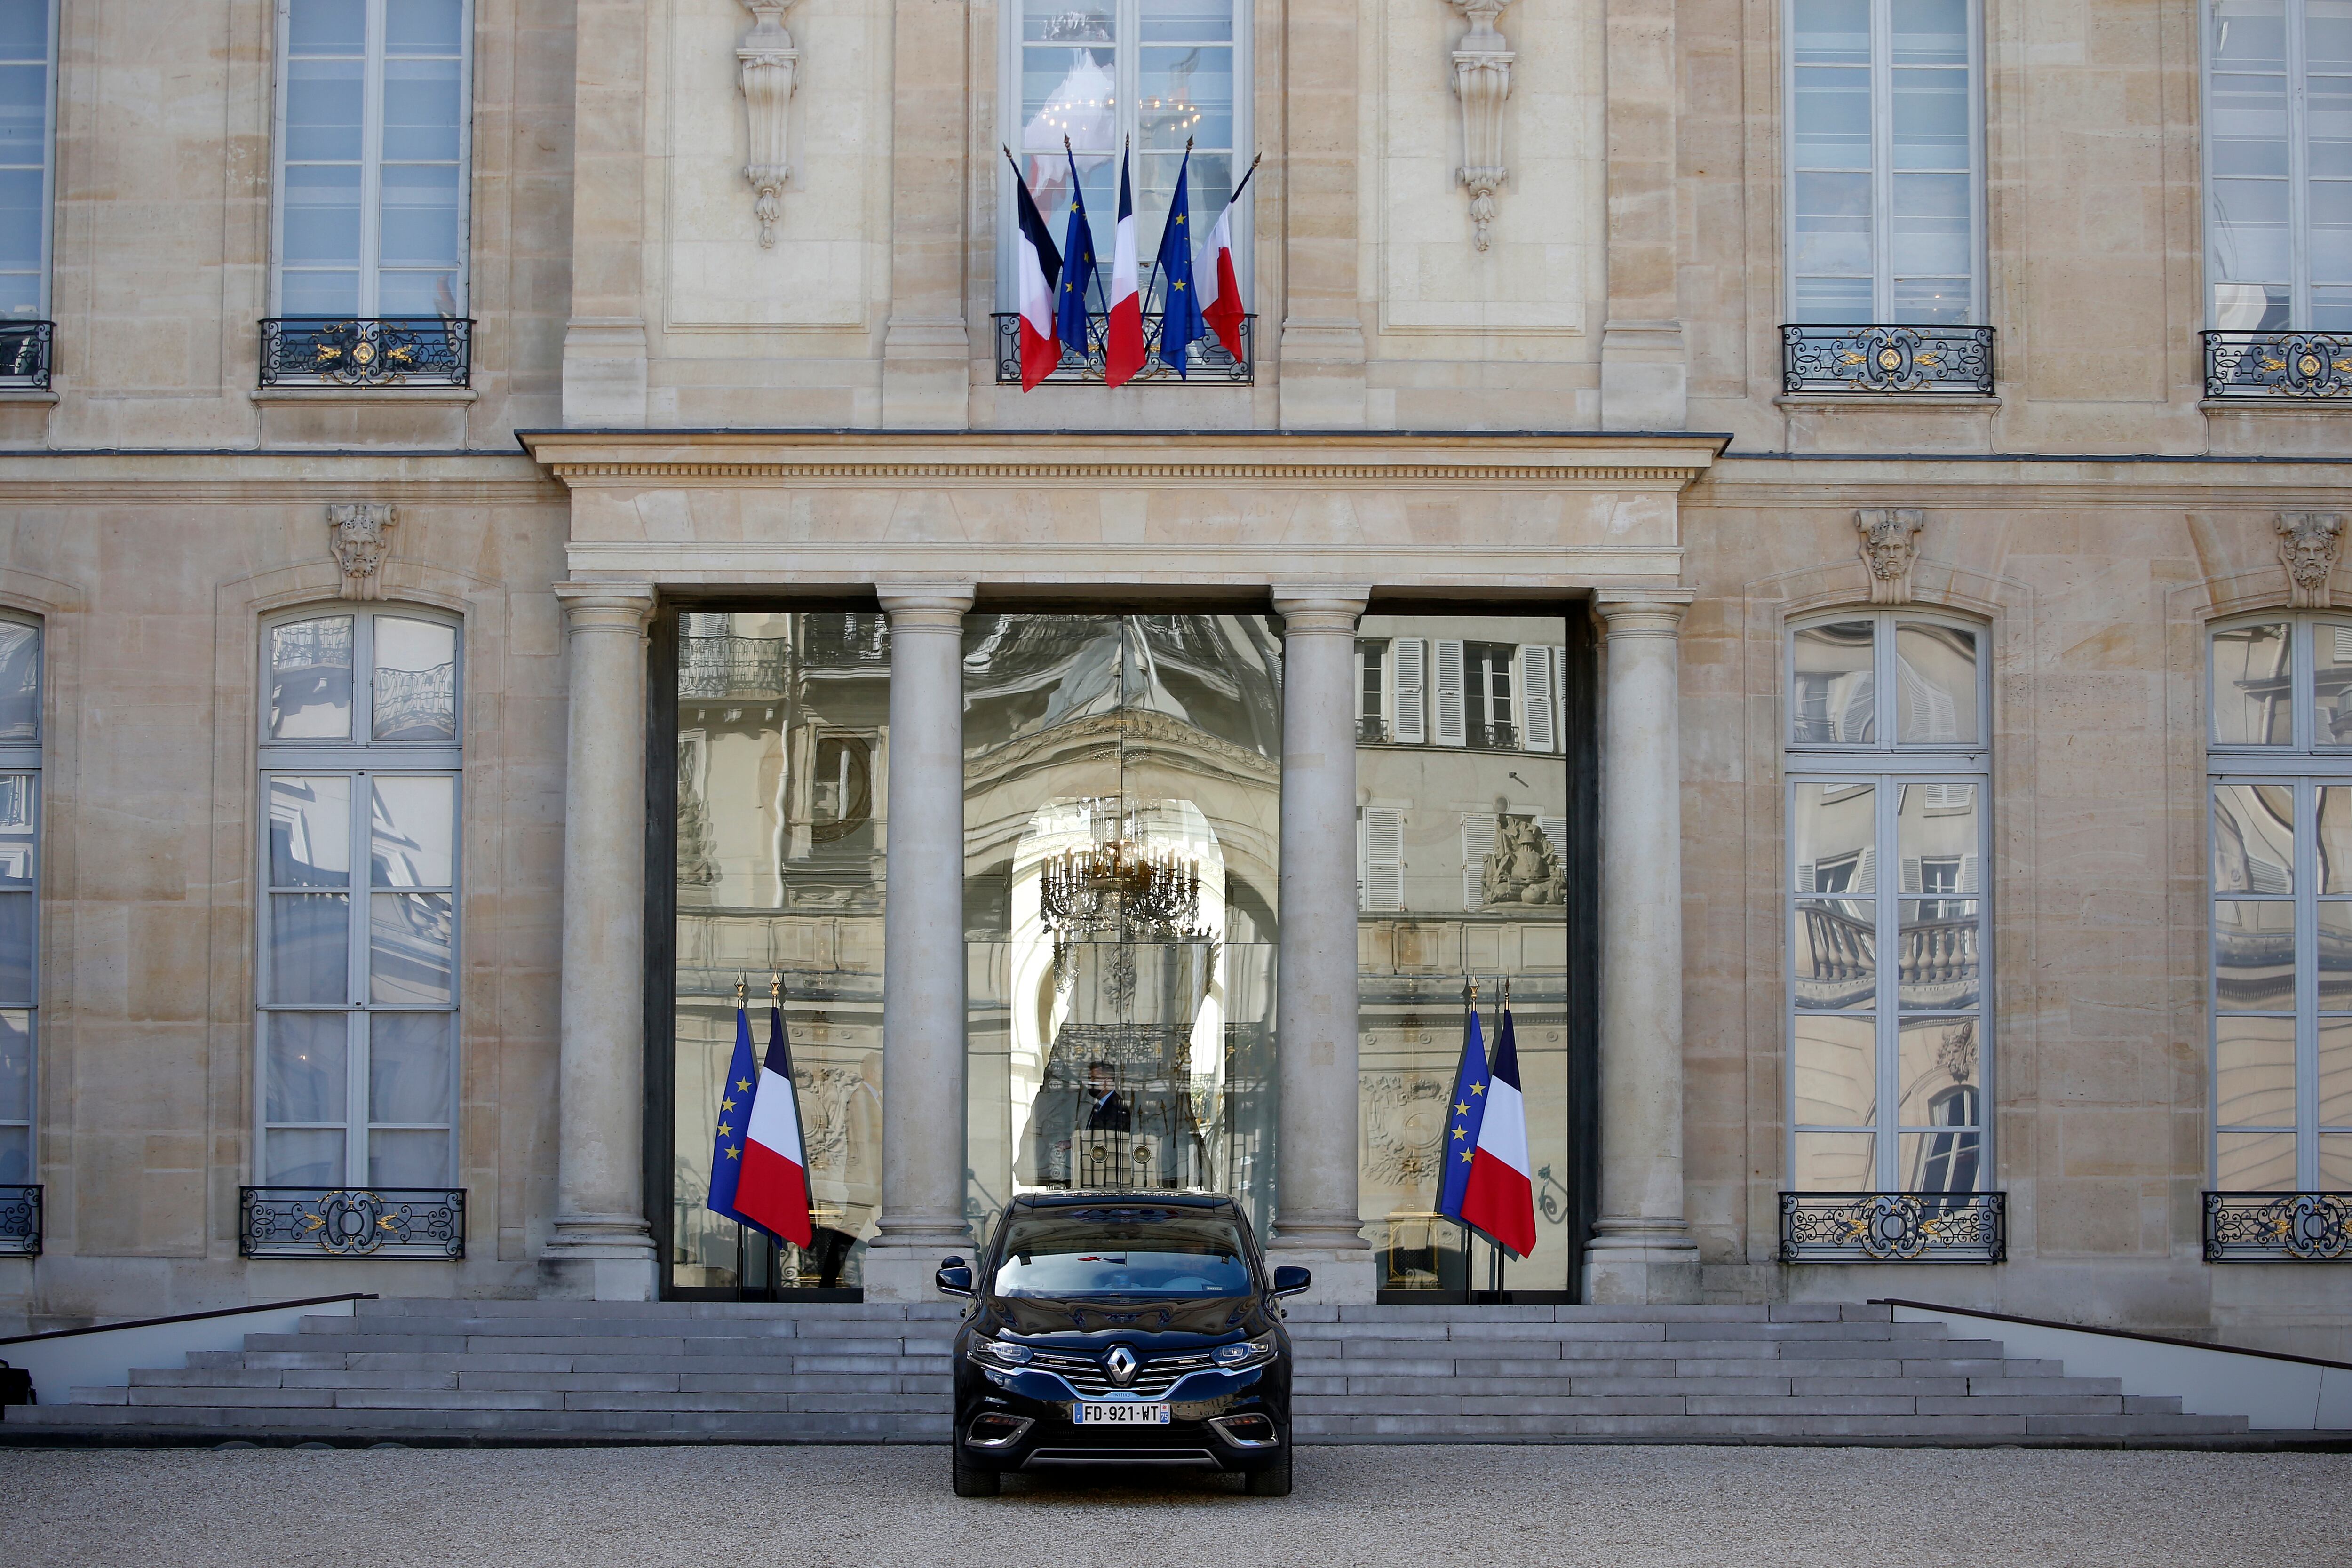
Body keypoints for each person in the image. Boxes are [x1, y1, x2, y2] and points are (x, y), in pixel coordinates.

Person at [1084, 1061, 1131, 1131]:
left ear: (1108, 1080)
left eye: (1094, 1078)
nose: (1091, 1082)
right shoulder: (1098, 1105)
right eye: (1090, 1078)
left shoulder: (1118, 1107)